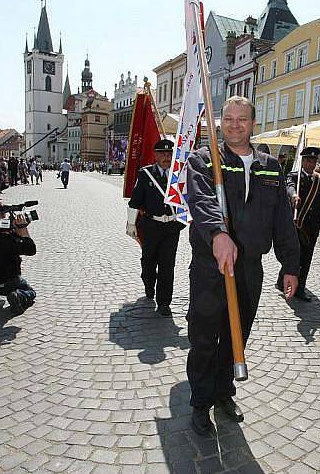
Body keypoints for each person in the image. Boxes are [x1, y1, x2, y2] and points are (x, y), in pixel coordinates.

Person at [186, 96, 300, 435]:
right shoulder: (205, 160)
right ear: (221, 123)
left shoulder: (270, 166)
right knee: (205, 336)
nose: (235, 125)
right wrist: (218, 233)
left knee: (236, 335)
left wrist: (290, 265)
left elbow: (283, 220)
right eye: (229, 119)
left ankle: (224, 393)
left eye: (243, 119)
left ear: (253, 123)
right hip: (212, 265)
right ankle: (200, 402)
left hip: (250, 267)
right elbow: (202, 200)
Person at [127, 139, 184, 316]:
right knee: (148, 262)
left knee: (168, 266)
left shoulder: (179, 175)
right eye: (163, 154)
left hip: (171, 227)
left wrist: (183, 220)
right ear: (155, 155)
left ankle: (164, 303)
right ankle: (149, 285)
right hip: (151, 225)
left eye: (169, 154)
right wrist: (130, 224)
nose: (166, 157)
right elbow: (135, 202)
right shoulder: (146, 174)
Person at [277, 146, 320, 302]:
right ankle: (282, 279)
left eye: (313, 161)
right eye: (308, 160)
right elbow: (289, 187)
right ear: (302, 161)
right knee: (293, 255)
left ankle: (300, 288)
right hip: (296, 224)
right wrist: (294, 195)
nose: (310, 164)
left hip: (312, 226)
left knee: (306, 257)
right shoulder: (294, 176)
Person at [0, 199, 36, 315]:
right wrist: (22, 230)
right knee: (30, 291)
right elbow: (30, 250)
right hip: (9, 282)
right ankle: (19, 296)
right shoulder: (9, 239)